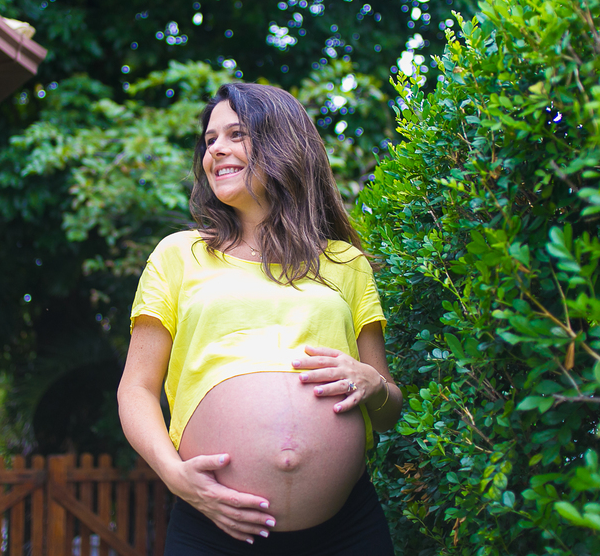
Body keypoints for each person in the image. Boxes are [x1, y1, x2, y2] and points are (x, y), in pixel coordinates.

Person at [118, 83, 401, 555]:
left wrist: (371, 383)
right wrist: (174, 476)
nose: (217, 150)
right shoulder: (179, 255)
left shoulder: (346, 263)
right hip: (214, 529)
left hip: (344, 530)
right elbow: (136, 388)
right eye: (210, 141)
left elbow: (389, 410)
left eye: (236, 134)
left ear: (282, 142)